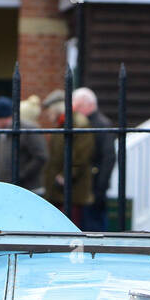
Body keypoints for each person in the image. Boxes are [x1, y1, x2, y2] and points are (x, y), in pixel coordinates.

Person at [41, 91, 94, 220]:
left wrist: (65, 176)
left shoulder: (78, 123)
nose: (48, 115)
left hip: (71, 192)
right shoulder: (61, 125)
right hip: (57, 192)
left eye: (49, 111)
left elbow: (81, 156)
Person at [72, 87, 114, 231]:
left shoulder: (100, 124)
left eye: (77, 106)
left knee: (94, 228)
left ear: (87, 105)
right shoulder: (86, 123)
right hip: (85, 187)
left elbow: (108, 158)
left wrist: (100, 188)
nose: (75, 111)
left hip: (94, 187)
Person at [0, 94, 48, 193]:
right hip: (11, 188)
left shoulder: (29, 129)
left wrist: (20, 175)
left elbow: (41, 156)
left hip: (30, 189)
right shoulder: (6, 131)